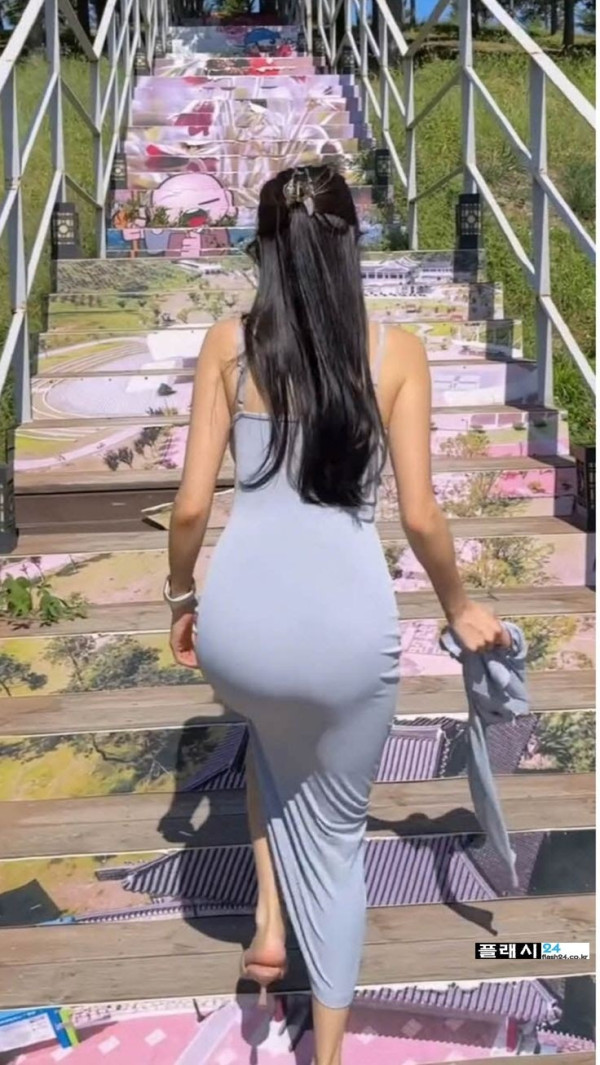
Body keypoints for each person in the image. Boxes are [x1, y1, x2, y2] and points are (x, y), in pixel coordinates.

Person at [165, 165, 509, 1065]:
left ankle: (270, 923)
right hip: (346, 631)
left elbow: (192, 507)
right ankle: (327, 1053)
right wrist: (460, 605)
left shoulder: (228, 344)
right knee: (341, 840)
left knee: (270, 738)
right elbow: (421, 516)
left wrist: (181, 599)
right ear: (352, 243)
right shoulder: (397, 353)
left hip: (240, 625)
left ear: (264, 251)